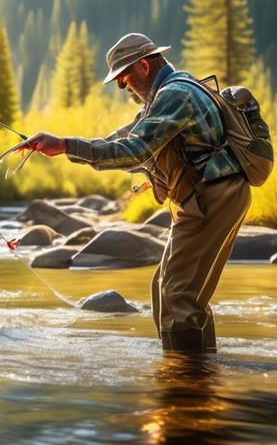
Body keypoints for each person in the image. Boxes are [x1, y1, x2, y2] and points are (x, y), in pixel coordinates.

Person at [20, 33, 251, 353]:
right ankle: (189, 370)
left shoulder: (174, 95)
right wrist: (64, 144)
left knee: (178, 295)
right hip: (205, 196)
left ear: (143, 65)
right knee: (165, 288)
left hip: (212, 196)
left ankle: (188, 382)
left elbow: (135, 150)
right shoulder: (165, 96)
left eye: (123, 78)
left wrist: (67, 147)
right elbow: (123, 137)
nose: (122, 86)